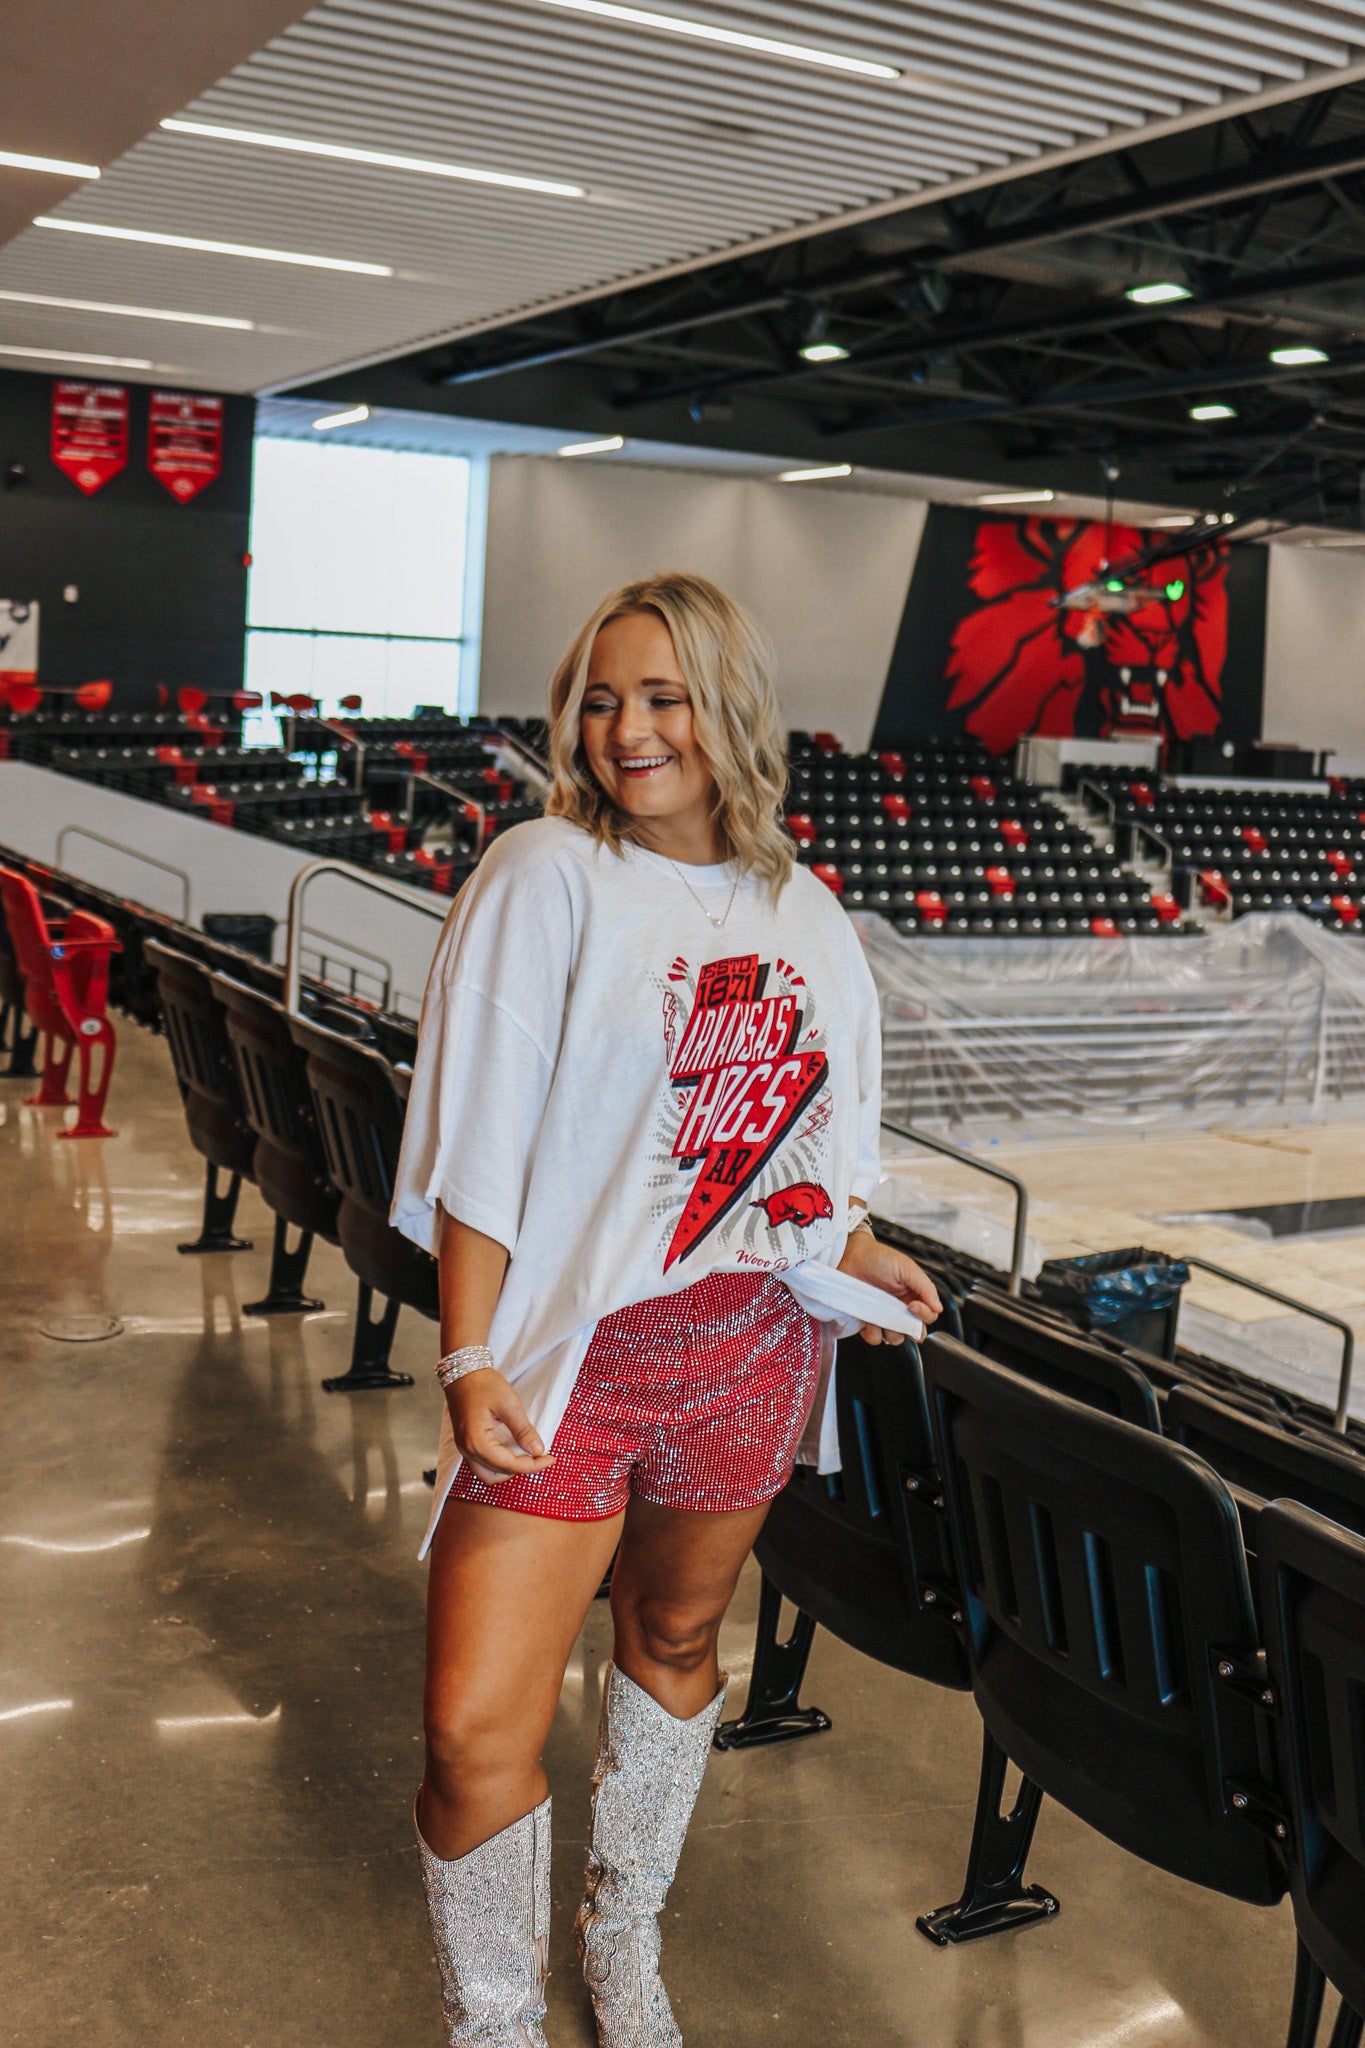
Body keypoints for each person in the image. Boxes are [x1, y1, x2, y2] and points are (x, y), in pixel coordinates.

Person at [391, 571, 941, 2046]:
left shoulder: (807, 910)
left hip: (751, 1350)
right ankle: (494, 2021)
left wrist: (859, 1248)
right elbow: (475, 1143)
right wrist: (465, 1351)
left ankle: (621, 1948)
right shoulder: (545, 872)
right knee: (469, 1731)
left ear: (727, 712)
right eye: (601, 696)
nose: (625, 729)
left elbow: (806, 1153)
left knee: (681, 1645)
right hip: (568, 1365)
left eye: (663, 696)